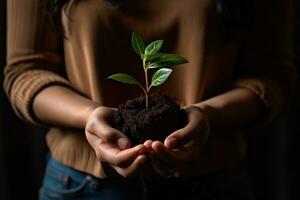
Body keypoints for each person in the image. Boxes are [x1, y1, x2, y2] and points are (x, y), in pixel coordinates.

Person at [4, 0, 295, 199]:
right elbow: (26, 72)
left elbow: (273, 76)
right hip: (80, 186)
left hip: (215, 182)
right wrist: (89, 117)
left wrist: (208, 115)